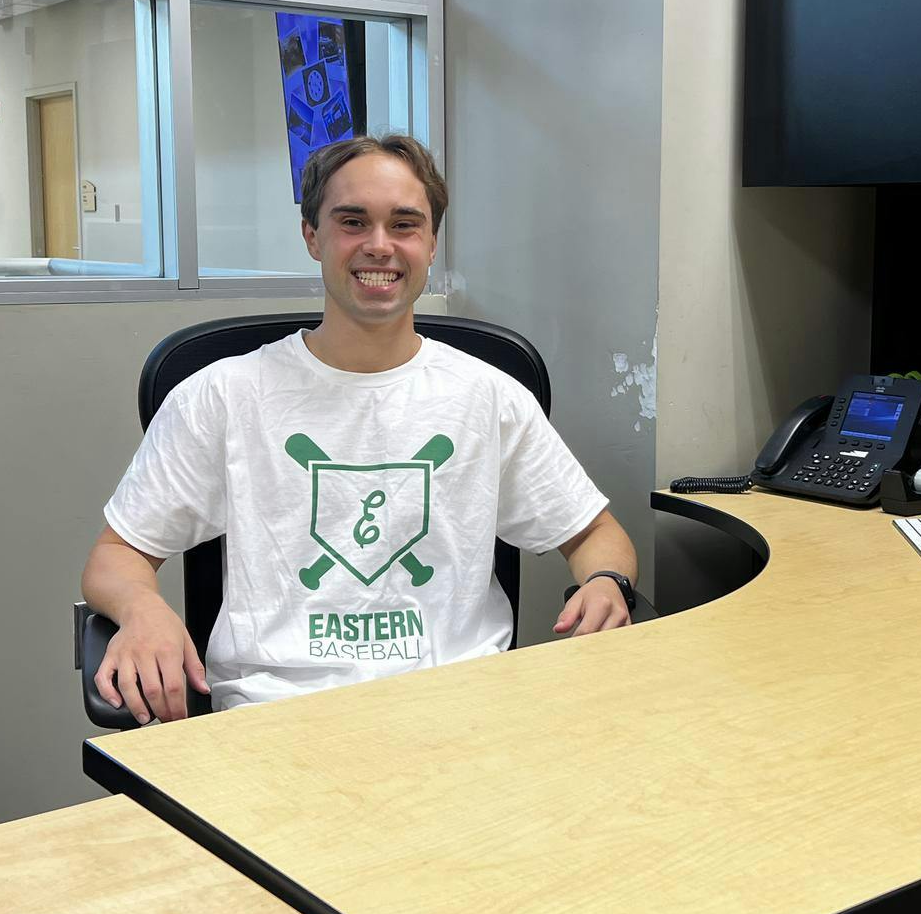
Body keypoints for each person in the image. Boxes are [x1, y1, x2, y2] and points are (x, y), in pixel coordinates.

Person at [82, 133, 638, 723]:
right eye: (353, 221)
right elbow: (116, 555)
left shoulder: (489, 397)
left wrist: (605, 583)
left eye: (404, 224)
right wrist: (144, 610)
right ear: (312, 236)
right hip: (276, 715)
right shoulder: (222, 396)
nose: (380, 246)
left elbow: (598, 535)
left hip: (463, 707)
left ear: (430, 243)